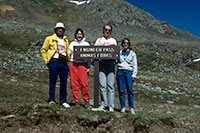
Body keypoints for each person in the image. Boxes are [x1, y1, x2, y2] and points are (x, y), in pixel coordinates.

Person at [41, 22, 71, 108]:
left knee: (63, 82)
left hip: (64, 62)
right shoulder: (49, 39)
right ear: (55, 30)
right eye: (59, 28)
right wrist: (47, 61)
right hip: (54, 61)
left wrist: (68, 58)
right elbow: (43, 50)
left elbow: (67, 50)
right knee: (53, 81)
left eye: (62, 29)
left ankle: (63, 100)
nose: (60, 30)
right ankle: (51, 99)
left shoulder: (66, 40)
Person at [94, 24, 117, 112]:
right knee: (102, 85)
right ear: (103, 30)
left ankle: (111, 106)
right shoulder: (99, 40)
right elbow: (95, 51)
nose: (107, 31)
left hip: (110, 64)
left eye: (109, 30)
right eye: (106, 29)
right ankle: (104, 104)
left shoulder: (113, 40)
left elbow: (115, 52)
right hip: (101, 63)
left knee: (110, 86)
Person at [69, 28, 90, 108]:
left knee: (83, 83)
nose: (79, 36)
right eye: (78, 34)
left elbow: (89, 57)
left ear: (83, 35)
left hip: (83, 64)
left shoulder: (86, 44)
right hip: (73, 64)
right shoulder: (72, 44)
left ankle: (86, 100)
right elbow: (69, 54)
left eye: (80, 34)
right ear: (75, 35)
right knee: (74, 83)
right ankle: (77, 100)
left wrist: (88, 66)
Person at [116, 38, 138, 114]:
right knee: (121, 90)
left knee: (130, 90)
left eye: (127, 43)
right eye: (124, 43)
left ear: (129, 45)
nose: (126, 44)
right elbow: (116, 61)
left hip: (129, 72)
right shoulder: (119, 53)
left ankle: (131, 107)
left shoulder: (132, 53)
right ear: (122, 44)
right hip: (120, 72)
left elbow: (135, 65)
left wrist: (134, 75)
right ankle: (123, 107)